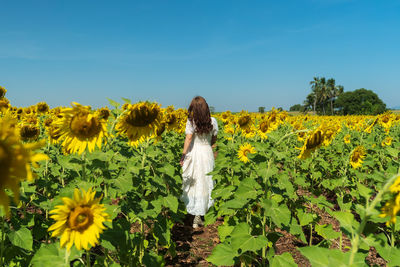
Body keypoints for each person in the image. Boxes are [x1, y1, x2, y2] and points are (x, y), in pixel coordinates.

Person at [180, 96, 218, 228]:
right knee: (205, 181)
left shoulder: (191, 122)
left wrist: (183, 155)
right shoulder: (213, 121)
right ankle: (199, 215)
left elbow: (188, 138)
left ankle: (192, 212)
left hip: (195, 153)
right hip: (207, 153)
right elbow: (214, 139)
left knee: (193, 180)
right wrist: (207, 144)